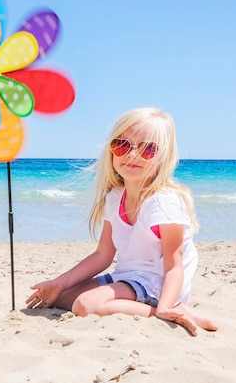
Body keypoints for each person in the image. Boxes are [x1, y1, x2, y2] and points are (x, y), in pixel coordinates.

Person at [26, 107, 218, 336]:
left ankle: (170, 310)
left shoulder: (163, 202)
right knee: (64, 297)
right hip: (128, 276)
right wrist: (59, 283)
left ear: (163, 157)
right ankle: (164, 308)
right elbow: (102, 255)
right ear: (111, 151)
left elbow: (174, 266)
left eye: (147, 149)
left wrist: (165, 304)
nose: (131, 154)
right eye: (122, 144)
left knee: (85, 305)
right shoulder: (115, 197)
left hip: (159, 283)